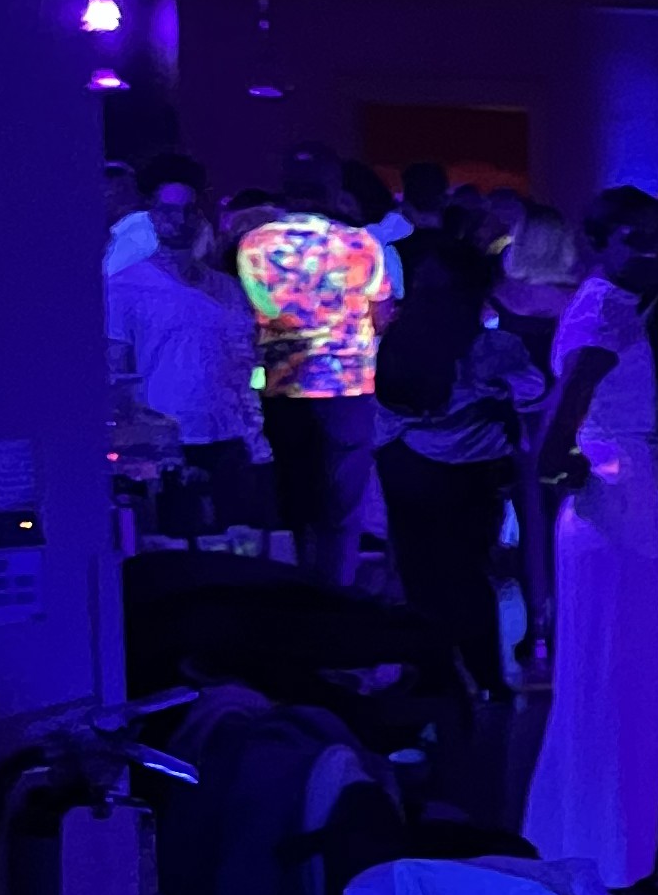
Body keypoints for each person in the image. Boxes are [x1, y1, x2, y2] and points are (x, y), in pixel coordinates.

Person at [518, 192, 658, 889]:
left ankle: (596, 843)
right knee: (616, 670)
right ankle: (605, 853)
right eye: (633, 239)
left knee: (617, 669)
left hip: (620, 491)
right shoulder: (606, 310)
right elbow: (569, 402)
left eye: (656, 239)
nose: (650, 252)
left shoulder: (608, 300)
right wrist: (564, 464)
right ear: (599, 241)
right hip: (614, 495)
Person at [372, 227, 545, 704]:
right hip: (456, 469)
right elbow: (532, 388)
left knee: (431, 574)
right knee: (458, 573)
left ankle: (449, 673)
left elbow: (529, 388)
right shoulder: (488, 345)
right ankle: (477, 675)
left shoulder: (411, 337)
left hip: (421, 465)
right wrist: (484, 397)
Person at [238, 149, 396, 586]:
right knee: (343, 507)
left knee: (295, 495)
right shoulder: (361, 243)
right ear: (334, 189)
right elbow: (382, 317)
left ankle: (297, 591)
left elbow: (253, 311)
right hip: (350, 386)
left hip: (282, 385)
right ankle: (336, 594)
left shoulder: (254, 243)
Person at [107, 158, 267, 535]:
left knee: (237, 541)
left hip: (229, 433)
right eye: (167, 210)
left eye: (186, 210)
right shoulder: (125, 287)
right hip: (166, 439)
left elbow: (243, 359)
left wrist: (254, 433)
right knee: (178, 540)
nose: (177, 221)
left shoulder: (226, 287)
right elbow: (117, 371)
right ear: (152, 213)